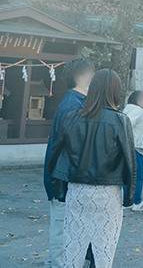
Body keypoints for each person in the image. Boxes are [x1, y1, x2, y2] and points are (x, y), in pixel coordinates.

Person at [47, 69, 135, 268]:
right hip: (108, 192)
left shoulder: (72, 117)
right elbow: (130, 161)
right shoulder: (120, 120)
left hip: (77, 190)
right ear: (116, 91)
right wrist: (129, 197)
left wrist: (59, 191)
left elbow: (56, 155)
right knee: (104, 248)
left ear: (92, 88)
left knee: (74, 247)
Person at [43, 57, 94, 268]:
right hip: (64, 180)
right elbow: (71, 150)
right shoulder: (73, 106)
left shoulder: (75, 103)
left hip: (66, 178)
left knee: (69, 231)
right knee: (63, 232)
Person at [123, 91, 143, 212]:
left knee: (127, 177)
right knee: (139, 175)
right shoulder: (138, 110)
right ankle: (137, 202)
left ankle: (126, 201)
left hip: (128, 147)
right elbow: (128, 123)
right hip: (135, 147)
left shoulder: (127, 109)